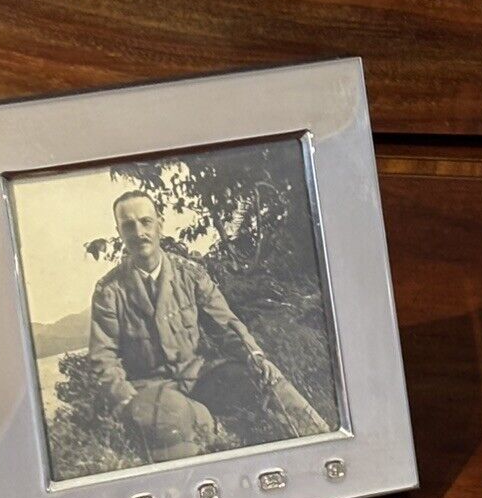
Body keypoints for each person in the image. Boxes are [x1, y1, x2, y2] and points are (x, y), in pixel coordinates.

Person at [89, 190, 328, 462]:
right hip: (153, 390)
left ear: (160, 223)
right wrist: (127, 400)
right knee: (175, 417)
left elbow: (227, 326)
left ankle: (322, 447)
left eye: (145, 221)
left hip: (198, 376)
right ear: (119, 232)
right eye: (128, 225)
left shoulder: (190, 273)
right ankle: (217, 447)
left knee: (266, 378)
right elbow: (102, 357)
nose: (139, 232)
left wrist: (255, 356)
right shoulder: (109, 290)